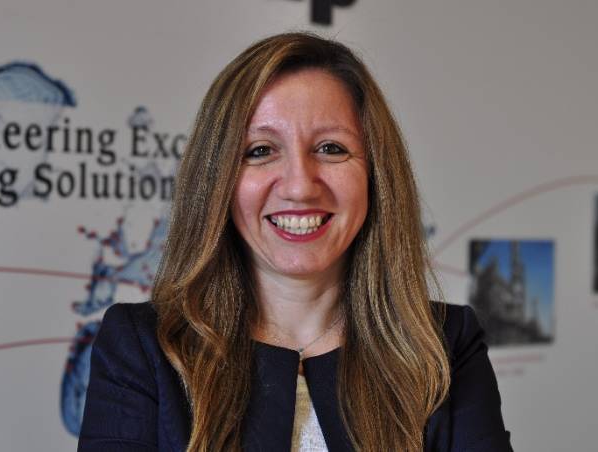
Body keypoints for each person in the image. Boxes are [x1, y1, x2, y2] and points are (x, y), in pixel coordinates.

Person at [78, 32, 513, 452]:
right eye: (260, 151)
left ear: (375, 174)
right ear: (217, 180)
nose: (300, 186)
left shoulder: (445, 346)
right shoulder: (142, 347)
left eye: (331, 148)